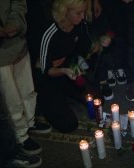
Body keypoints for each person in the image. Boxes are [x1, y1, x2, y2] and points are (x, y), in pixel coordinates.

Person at [0, 0, 51, 156]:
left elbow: (19, 4)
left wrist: (16, 22)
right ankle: (20, 134)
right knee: (11, 97)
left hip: (17, 42)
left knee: (26, 88)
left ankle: (30, 121)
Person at [38, 0, 103, 132]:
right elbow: (44, 70)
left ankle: (67, 94)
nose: (83, 17)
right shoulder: (50, 31)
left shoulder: (79, 24)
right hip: (49, 79)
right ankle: (45, 104)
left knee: (98, 100)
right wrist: (63, 70)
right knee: (68, 125)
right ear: (64, 11)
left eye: (84, 12)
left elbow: (86, 49)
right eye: (78, 13)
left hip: (68, 73)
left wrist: (98, 44)